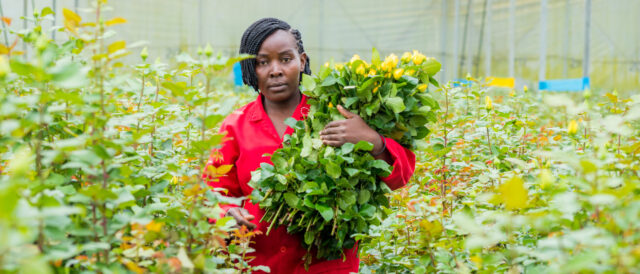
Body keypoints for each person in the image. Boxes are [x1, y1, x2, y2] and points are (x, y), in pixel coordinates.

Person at [202, 18, 416, 273]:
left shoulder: (336, 110)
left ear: (302, 61)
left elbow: (400, 176)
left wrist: (373, 141)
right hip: (258, 263)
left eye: (285, 59)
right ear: (251, 68)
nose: (275, 70)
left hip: (327, 265)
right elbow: (213, 193)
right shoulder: (235, 126)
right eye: (262, 62)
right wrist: (226, 214)